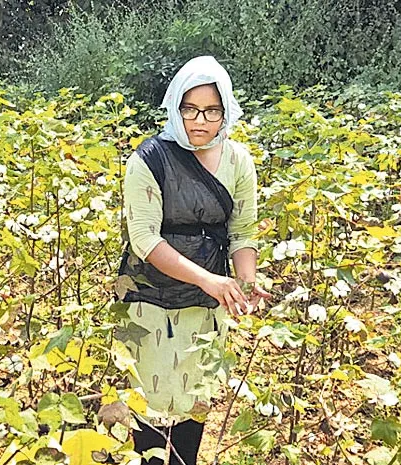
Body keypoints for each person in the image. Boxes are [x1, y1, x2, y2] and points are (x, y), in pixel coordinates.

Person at [118, 56, 271, 465]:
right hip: (149, 298)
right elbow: (145, 240)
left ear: (227, 111)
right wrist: (210, 281)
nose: (199, 120)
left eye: (211, 110)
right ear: (174, 107)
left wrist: (245, 283)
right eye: (189, 109)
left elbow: (243, 232)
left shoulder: (238, 161)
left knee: (195, 396)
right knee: (151, 405)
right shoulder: (148, 160)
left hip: (207, 304)